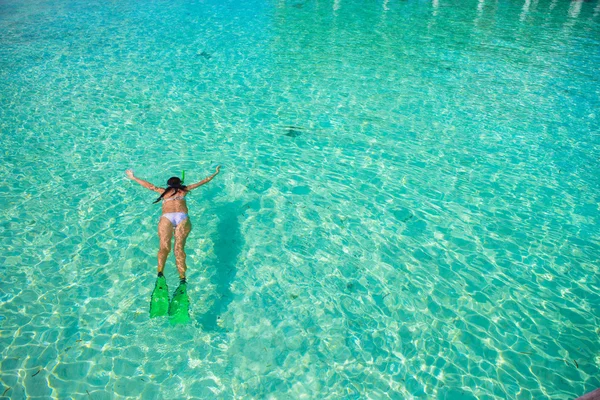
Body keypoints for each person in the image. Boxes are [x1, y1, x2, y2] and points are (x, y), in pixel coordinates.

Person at [125, 166, 221, 282]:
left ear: (168, 184)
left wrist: (133, 177)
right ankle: (182, 277)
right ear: (180, 183)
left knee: (164, 247)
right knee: (179, 248)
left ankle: (160, 272)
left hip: (167, 217)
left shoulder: (163, 192)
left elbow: (149, 185)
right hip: (182, 218)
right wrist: (215, 172)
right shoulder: (184, 190)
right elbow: (204, 181)